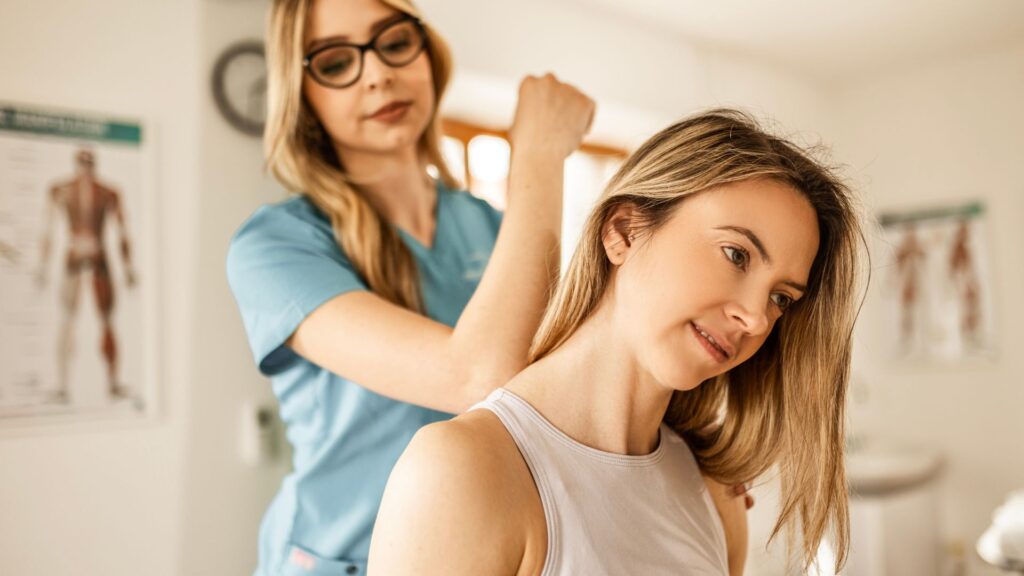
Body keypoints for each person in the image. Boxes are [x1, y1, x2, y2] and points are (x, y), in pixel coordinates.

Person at [369, 109, 864, 576]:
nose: (755, 318)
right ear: (623, 231)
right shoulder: (462, 470)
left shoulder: (715, 494)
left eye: (781, 297)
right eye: (736, 255)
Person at [225, 0, 595, 574]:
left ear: (428, 56)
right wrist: (541, 153)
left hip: (477, 552)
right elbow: (478, 376)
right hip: (342, 559)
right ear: (303, 92)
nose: (378, 74)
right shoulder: (275, 246)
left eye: (394, 43)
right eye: (336, 61)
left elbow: (560, 389)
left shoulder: (489, 225)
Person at [37, 148, 137, 402]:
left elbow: (122, 231)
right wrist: (42, 267)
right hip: (74, 259)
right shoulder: (61, 190)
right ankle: (62, 385)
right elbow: (47, 230)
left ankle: (113, 383)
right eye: (82, 164)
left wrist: (128, 269)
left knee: (106, 321)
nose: (86, 169)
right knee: (68, 320)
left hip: (98, 259)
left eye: (89, 164)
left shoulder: (108, 193)